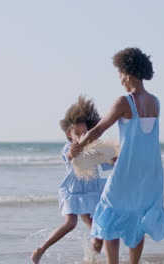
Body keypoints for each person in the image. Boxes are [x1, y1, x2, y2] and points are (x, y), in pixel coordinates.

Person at [69, 47, 164, 264]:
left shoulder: (124, 102)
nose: (120, 79)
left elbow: (98, 130)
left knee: (109, 213)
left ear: (128, 73)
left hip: (128, 169)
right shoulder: (155, 102)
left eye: (120, 74)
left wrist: (77, 147)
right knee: (138, 216)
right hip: (151, 172)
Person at [31, 96, 114, 264]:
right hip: (73, 192)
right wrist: (75, 150)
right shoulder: (68, 148)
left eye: (84, 133)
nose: (80, 137)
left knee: (98, 235)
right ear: (69, 134)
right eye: (76, 133)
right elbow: (70, 155)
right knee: (70, 223)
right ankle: (41, 249)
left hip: (91, 193)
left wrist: (116, 156)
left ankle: (91, 259)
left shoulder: (96, 149)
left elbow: (112, 162)